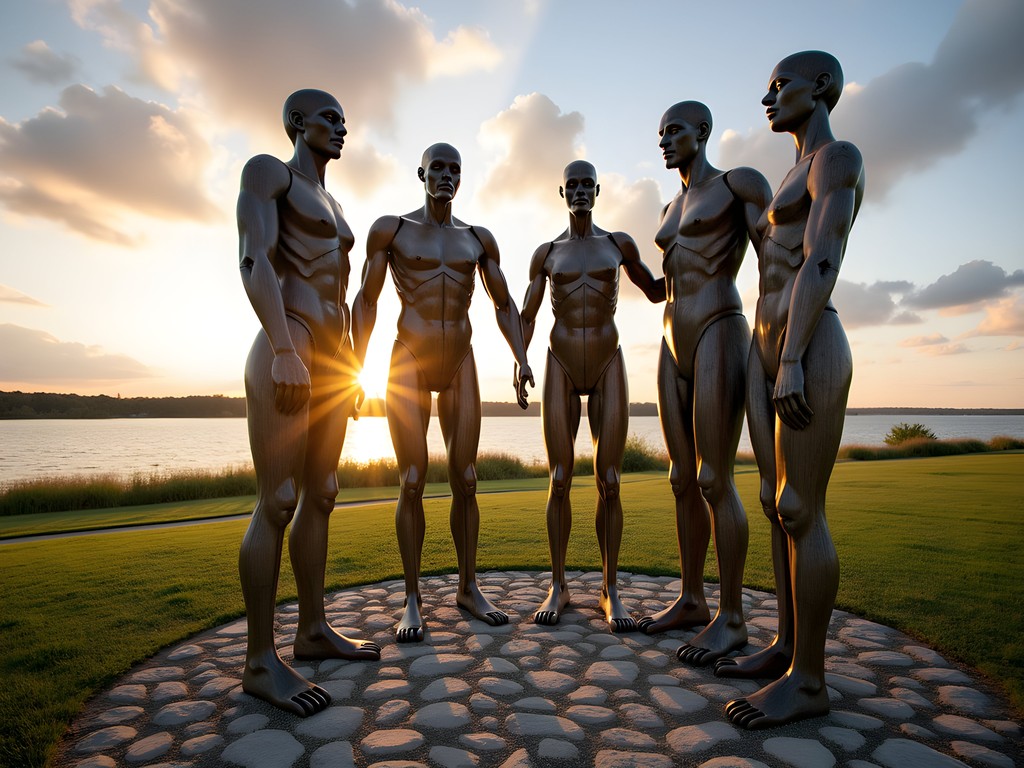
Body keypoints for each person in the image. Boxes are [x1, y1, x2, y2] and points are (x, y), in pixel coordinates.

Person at [717, 51, 865, 730]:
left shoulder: (837, 160)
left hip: (809, 348)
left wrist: (797, 357)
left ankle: (810, 681)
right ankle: (783, 647)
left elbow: (824, 253)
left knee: (801, 507)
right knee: (773, 506)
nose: (767, 97)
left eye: (780, 85)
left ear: (822, 87)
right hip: (767, 347)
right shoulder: (787, 171)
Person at [352, 143, 534, 643]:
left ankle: (468, 587)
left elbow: (503, 303)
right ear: (421, 174)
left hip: (460, 360)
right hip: (407, 358)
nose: (447, 176)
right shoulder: (392, 229)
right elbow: (366, 300)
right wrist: (352, 366)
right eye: (438, 168)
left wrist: (520, 356)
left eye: (455, 169)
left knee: (467, 478)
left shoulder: (477, 238)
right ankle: (412, 597)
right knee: (412, 479)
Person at [236, 89, 381, 717]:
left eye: (345, 120)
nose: (341, 128)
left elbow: (347, 298)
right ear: (297, 122)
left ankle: (313, 630)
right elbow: (253, 258)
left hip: (331, 360)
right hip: (288, 342)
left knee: (322, 492)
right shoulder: (270, 173)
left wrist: (353, 373)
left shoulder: (336, 202)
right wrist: (281, 346)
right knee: (279, 501)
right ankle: (260, 662)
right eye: (329, 118)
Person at [637, 102, 771, 669]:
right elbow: (658, 287)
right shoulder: (669, 206)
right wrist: (624, 257)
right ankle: (693, 599)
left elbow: (774, 253)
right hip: (672, 341)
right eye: (660, 132)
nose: (665, 140)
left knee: (716, 478)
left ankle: (733, 618)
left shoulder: (737, 182)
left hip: (719, 325)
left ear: (703, 132)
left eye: (675, 130)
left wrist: (784, 336)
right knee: (681, 479)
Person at [520, 160, 664, 632]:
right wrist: (520, 360)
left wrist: (692, 257)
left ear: (598, 190)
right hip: (560, 363)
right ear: (562, 191)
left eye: (588, 184)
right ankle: (558, 585)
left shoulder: (617, 245)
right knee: (559, 477)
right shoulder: (546, 253)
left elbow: (657, 289)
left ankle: (609, 588)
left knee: (611, 480)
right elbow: (528, 312)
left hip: (607, 362)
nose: (580, 191)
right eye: (573, 185)